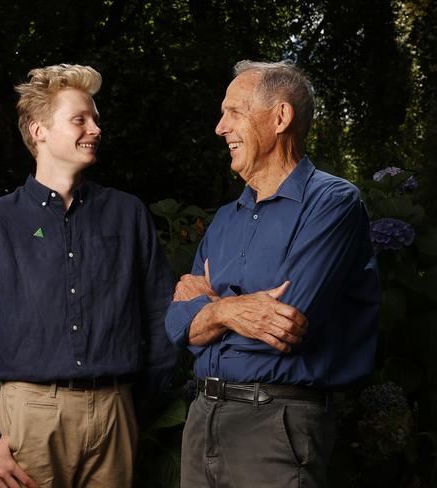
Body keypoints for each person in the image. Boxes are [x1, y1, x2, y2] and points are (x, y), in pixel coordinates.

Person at [0, 64, 176, 488]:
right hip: (29, 419)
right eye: (80, 119)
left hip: (116, 415)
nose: (96, 129)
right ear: (39, 130)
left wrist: (135, 409)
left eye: (96, 119)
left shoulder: (128, 213)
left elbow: (163, 318)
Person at [165, 60, 379, 487]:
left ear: (281, 117)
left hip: (276, 426)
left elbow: (285, 324)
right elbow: (176, 327)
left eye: (234, 112)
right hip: (202, 420)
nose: (219, 128)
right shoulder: (224, 219)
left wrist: (207, 308)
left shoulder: (333, 203)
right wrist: (231, 312)